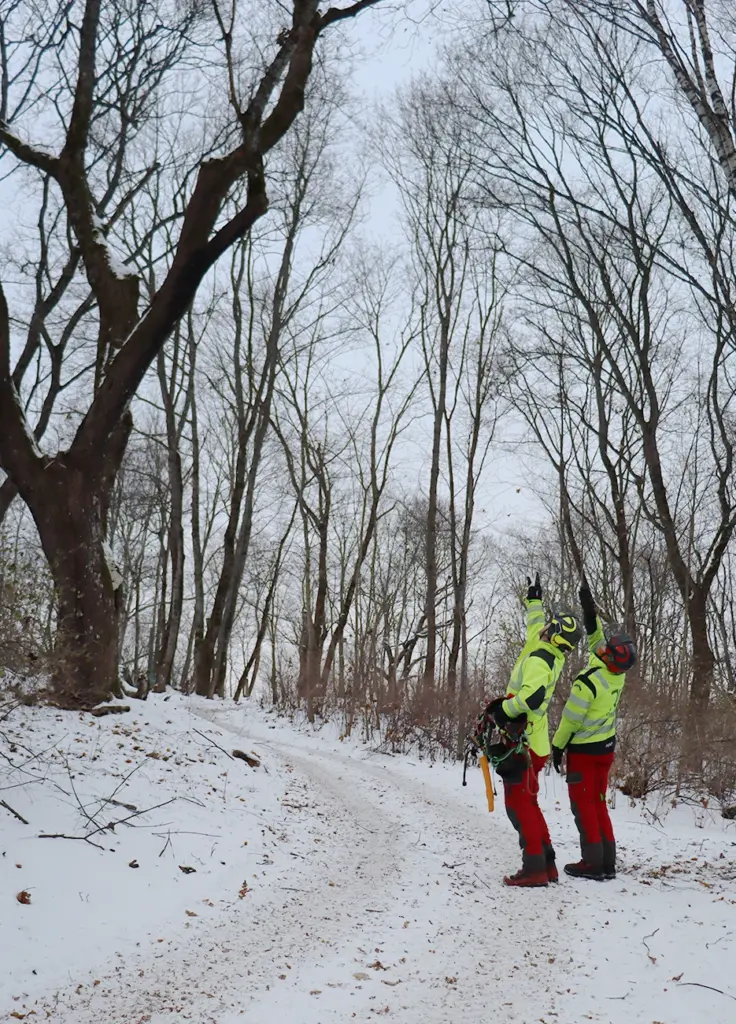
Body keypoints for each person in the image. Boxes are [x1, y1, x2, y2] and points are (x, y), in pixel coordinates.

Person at [489, 573, 583, 887]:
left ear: (553, 636)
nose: (544, 625)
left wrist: (503, 709)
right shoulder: (543, 645)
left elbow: (530, 698)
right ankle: (548, 865)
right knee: (528, 803)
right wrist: (534, 599)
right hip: (535, 742)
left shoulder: (541, 660)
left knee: (518, 805)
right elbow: (534, 624)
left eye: (550, 625)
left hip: (525, 743)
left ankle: (535, 870)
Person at [551, 580, 637, 881]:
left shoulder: (588, 681)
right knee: (599, 802)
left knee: (583, 804)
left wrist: (557, 746)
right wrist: (590, 610)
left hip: (585, 752)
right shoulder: (615, 674)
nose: (603, 647)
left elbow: (570, 720)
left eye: (607, 649)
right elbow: (596, 638)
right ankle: (608, 862)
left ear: (610, 658)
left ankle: (593, 863)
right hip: (606, 749)